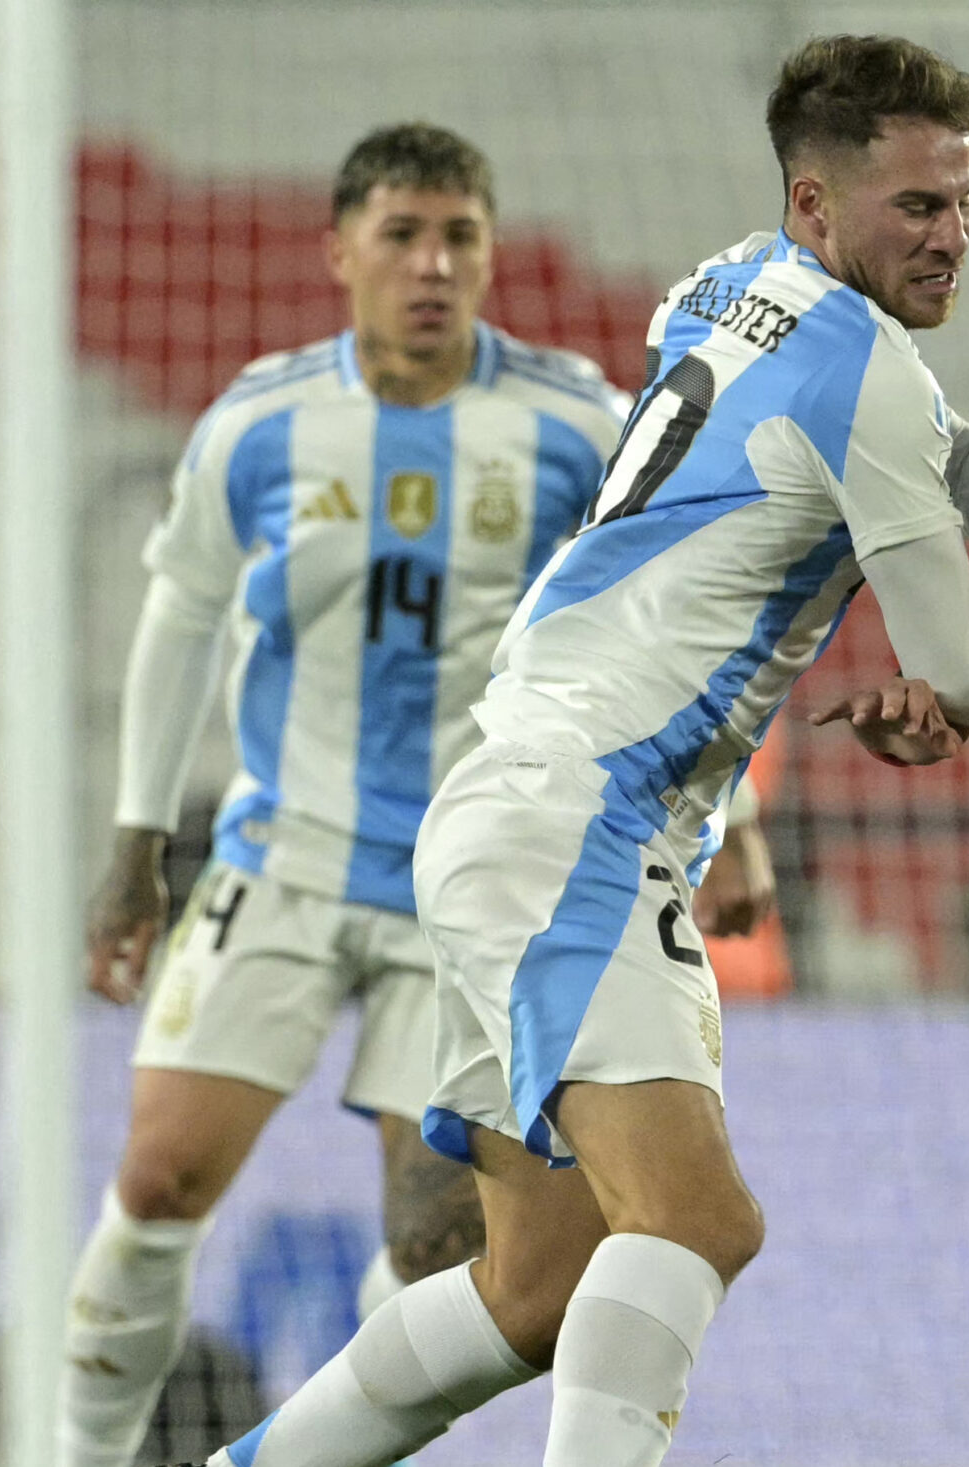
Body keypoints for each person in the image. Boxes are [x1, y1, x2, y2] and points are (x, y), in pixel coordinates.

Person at [207, 35, 969, 1467]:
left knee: (534, 1292)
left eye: (966, 200)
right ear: (816, 203)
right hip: (589, 824)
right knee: (697, 1223)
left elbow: (934, 455)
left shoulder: (727, 286)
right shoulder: (872, 374)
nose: (953, 233)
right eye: (916, 205)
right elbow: (962, 666)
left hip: (504, 803)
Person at [61, 121, 681, 1467]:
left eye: (459, 236)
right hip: (281, 855)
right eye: (402, 235)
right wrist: (134, 836)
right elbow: (180, 610)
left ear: (490, 254)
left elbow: (658, 620)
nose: (432, 264)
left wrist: (726, 824)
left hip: (466, 888)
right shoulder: (266, 420)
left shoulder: (572, 421)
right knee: (161, 1175)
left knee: (433, 1242)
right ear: (341, 252)